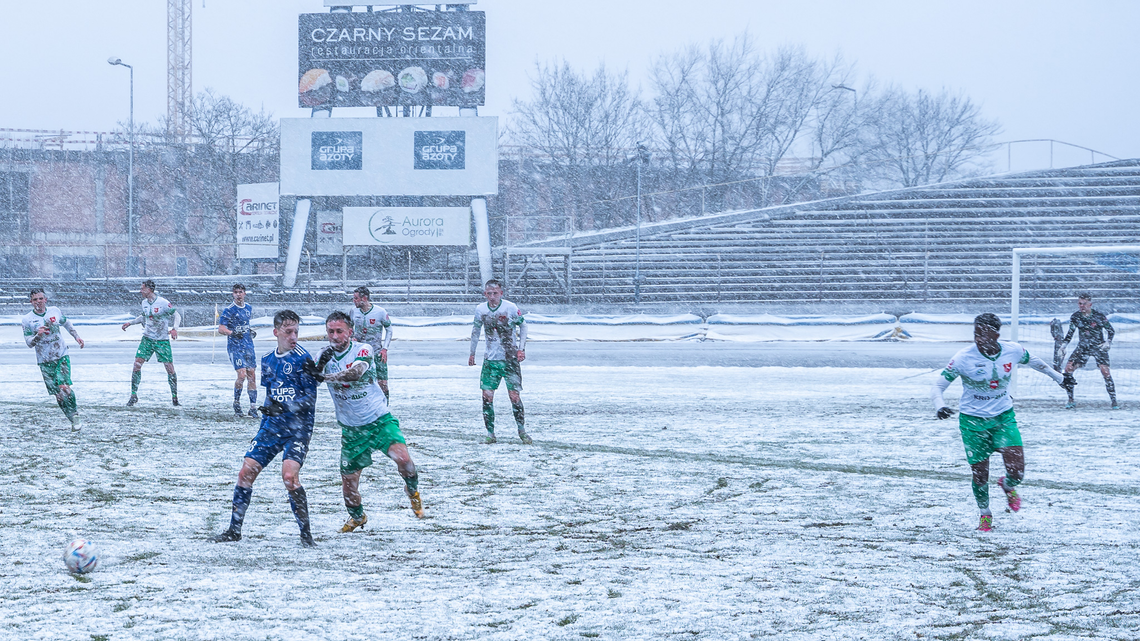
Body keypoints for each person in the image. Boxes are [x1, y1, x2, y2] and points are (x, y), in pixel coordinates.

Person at [931, 313, 1069, 532]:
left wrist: (1060, 378)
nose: (978, 338)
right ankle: (985, 514)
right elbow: (938, 386)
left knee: (1018, 472)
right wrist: (940, 406)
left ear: (996, 334)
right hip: (972, 422)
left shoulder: (1012, 350)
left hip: (1003, 418)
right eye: (975, 333)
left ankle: (1007, 485)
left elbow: (1035, 362)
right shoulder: (963, 358)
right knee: (980, 473)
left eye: (983, 334)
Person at [211, 310, 321, 547]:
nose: (293, 337)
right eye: (288, 332)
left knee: (289, 477)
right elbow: (271, 396)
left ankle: (306, 534)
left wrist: (284, 407)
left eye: (296, 332)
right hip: (272, 427)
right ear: (276, 332)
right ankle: (234, 530)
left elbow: (309, 401)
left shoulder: (304, 359)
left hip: (298, 428)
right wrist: (268, 414)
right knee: (245, 473)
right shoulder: (268, 360)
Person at [308, 310, 423, 532]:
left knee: (404, 460)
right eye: (330, 331)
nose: (334, 336)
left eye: (339, 331)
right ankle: (357, 516)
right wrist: (312, 371)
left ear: (350, 332)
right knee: (349, 484)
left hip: (378, 420)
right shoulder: (323, 354)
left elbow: (355, 373)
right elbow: (310, 381)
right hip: (351, 429)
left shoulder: (363, 349)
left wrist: (323, 377)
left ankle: (413, 491)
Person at [468, 279, 531, 444]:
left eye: (495, 293)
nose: (492, 296)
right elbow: (475, 331)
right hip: (490, 360)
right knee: (487, 396)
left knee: (514, 396)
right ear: (485, 294)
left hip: (510, 359)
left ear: (501, 293)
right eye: (489, 293)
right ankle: (490, 433)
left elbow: (523, 326)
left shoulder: (510, 307)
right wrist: (472, 353)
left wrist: (521, 348)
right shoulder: (480, 310)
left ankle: (522, 430)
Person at [23, 288, 85, 429]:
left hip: (61, 354)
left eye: (40, 298)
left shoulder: (54, 311)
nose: (38, 301)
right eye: (35, 299)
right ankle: (72, 420)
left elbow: (66, 323)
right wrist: (38, 335)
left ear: (45, 299)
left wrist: (77, 337)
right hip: (44, 360)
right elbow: (28, 343)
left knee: (64, 387)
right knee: (59, 395)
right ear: (31, 302)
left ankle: (76, 415)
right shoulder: (27, 320)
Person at [121, 280, 181, 407]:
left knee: (169, 369)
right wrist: (130, 323)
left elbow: (177, 315)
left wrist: (175, 328)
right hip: (147, 339)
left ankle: (175, 398)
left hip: (162, 340)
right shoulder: (144, 303)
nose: (140, 291)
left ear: (149, 289)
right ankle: (133, 395)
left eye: (142, 289)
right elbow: (144, 317)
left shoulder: (163, 303)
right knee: (137, 365)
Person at [1060, 293, 1117, 409]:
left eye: (1084, 303)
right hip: (1083, 347)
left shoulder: (1099, 316)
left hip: (1098, 346)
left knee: (1105, 372)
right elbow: (1070, 333)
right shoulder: (1075, 317)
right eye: (1080, 303)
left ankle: (1114, 401)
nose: (1082, 306)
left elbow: (1111, 330)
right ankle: (1071, 399)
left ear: (1090, 304)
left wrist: (1108, 342)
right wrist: (1063, 346)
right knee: (1068, 369)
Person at [218, 283, 259, 418]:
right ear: (233, 294)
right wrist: (232, 333)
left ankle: (253, 407)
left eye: (241, 292)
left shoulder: (248, 308)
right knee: (241, 375)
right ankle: (236, 402)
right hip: (235, 346)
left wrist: (249, 331)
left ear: (245, 293)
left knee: (252, 375)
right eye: (236, 292)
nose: (238, 294)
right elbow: (221, 329)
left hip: (248, 345)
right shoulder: (229, 310)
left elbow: (245, 325)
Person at [350, 286, 393, 402]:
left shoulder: (380, 312)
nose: (354, 301)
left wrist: (385, 349)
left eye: (356, 298)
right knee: (360, 383)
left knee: (382, 383)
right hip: (360, 354)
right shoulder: (353, 311)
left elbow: (389, 329)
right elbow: (349, 328)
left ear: (364, 298)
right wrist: (352, 337)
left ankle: (384, 409)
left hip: (377, 352)